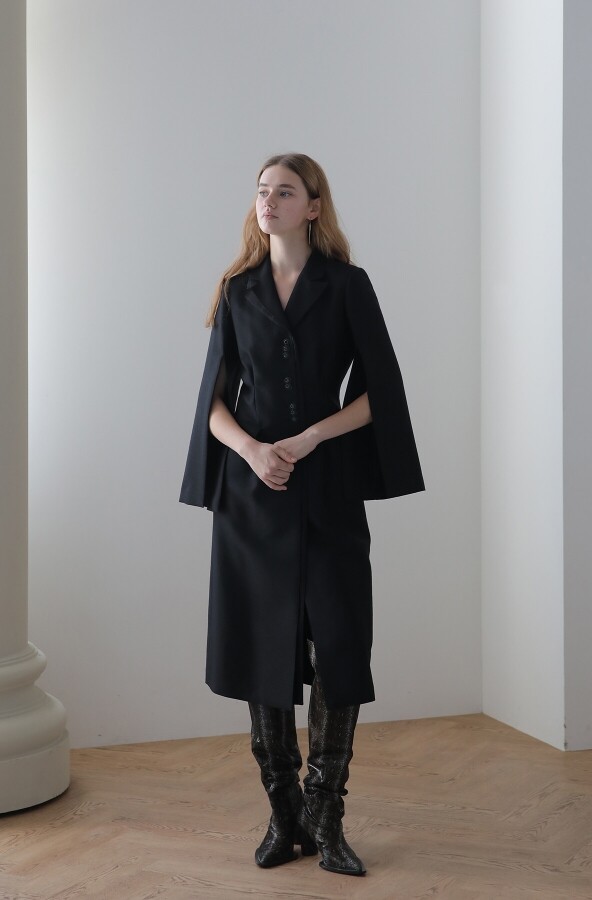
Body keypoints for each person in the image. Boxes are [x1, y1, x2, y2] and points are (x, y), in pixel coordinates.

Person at [180, 152, 424, 877]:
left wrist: (313, 436)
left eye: (284, 191)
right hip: (253, 496)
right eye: (262, 191)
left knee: (338, 647)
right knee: (263, 646)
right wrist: (254, 452)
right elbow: (212, 402)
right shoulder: (237, 289)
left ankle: (327, 815)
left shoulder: (347, 285)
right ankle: (283, 816)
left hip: (327, 488)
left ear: (313, 206)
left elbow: (382, 391)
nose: (269, 201)